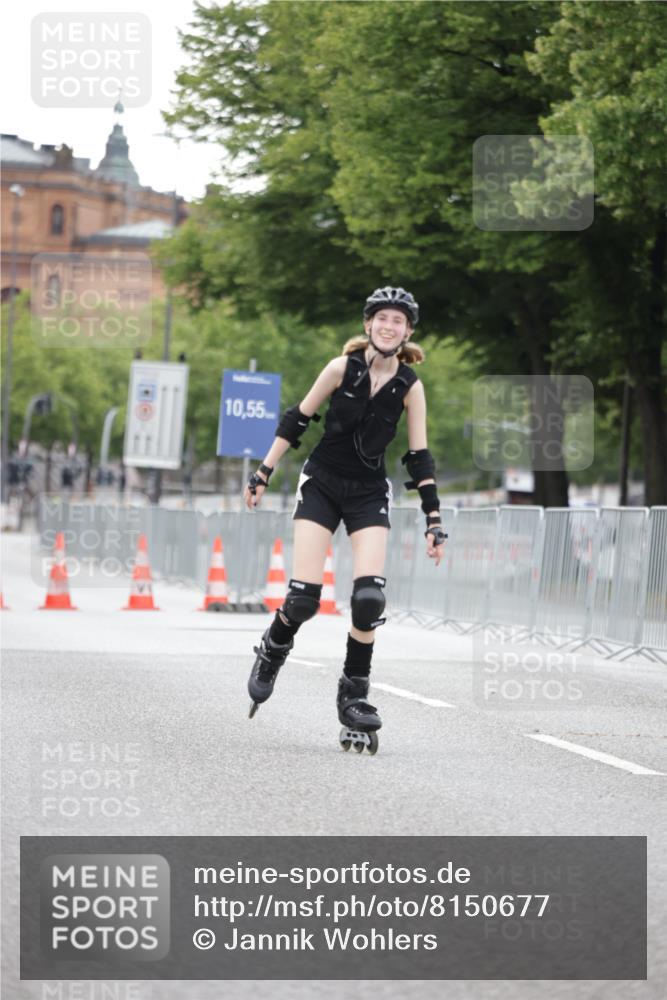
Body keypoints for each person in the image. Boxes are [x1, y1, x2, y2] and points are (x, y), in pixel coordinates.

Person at [243, 286, 447, 753]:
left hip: (368, 492)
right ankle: (272, 649)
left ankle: (353, 695)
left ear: (407, 332)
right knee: (303, 600)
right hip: (322, 484)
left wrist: (434, 519)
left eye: (398, 321)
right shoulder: (341, 368)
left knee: (369, 599)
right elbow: (297, 419)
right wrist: (263, 471)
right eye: (382, 318)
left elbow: (419, 457)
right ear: (368, 324)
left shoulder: (410, 387)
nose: (389, 327)